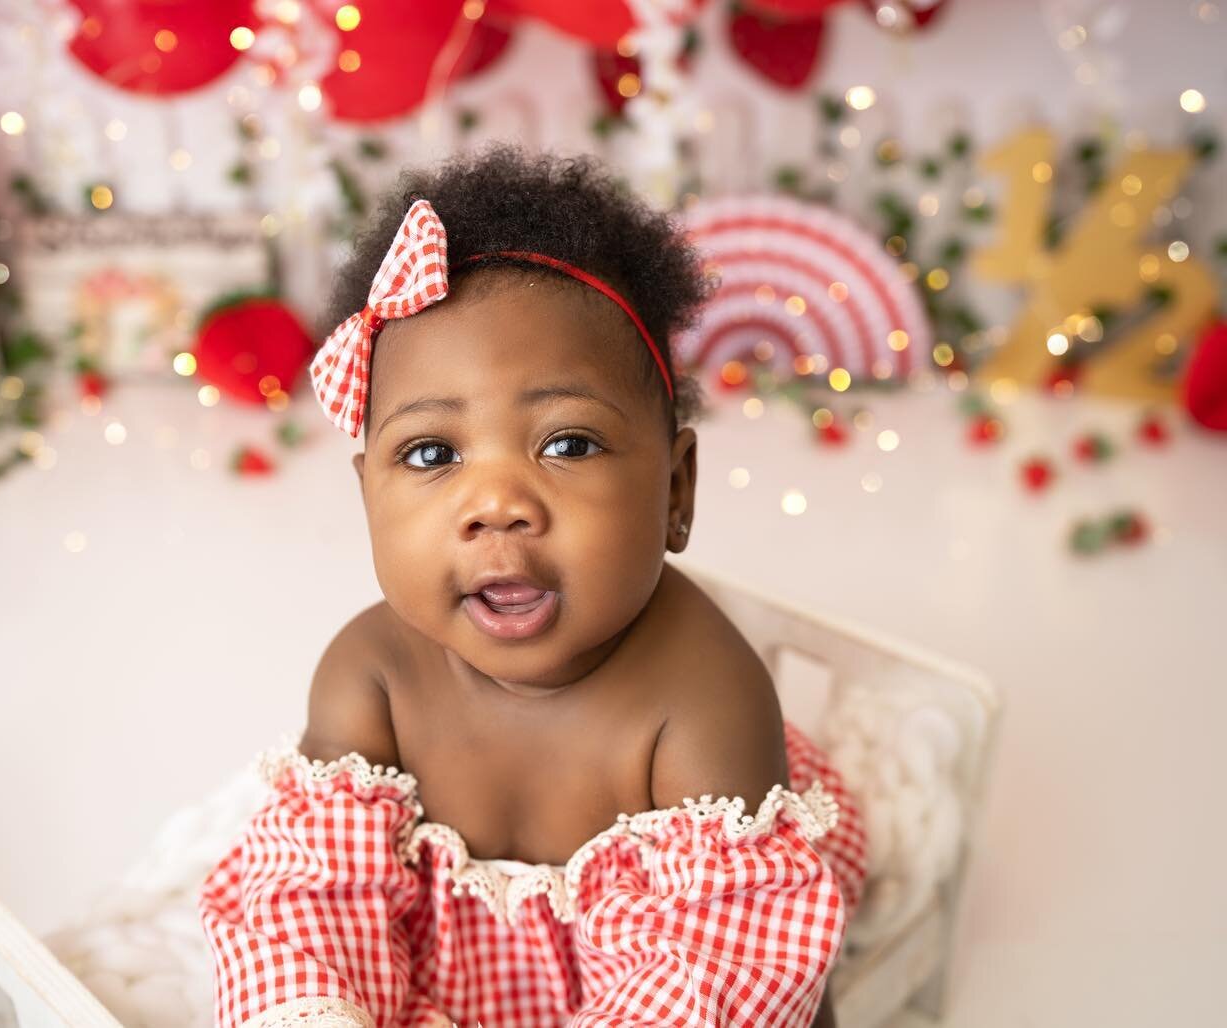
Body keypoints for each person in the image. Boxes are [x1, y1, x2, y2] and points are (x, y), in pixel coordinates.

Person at [199, 147, 867, 1027]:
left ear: (676, 492)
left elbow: (716, 968)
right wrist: (317, 1010)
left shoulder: (703, 699)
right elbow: (309, 894)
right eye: (432, 454)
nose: (498, 505)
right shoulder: (370, 676)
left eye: (568, 444)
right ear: (367, 496)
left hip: (674, 956)